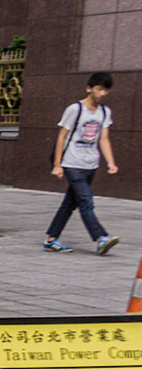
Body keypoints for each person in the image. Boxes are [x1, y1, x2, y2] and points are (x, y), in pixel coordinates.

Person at [45, 72, 120, 254]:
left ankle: (51, 239)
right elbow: (62, 137)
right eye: (99, 89)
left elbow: (104, 139)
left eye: (106, 90)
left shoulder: (104, 112)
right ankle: (100, 238)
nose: (102, 93)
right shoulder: (75, 109)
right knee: (86, 201)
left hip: (90, 164)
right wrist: (57, 164)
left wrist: (111, 162)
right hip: (72, 162)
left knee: (70, 203)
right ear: (89, 89)